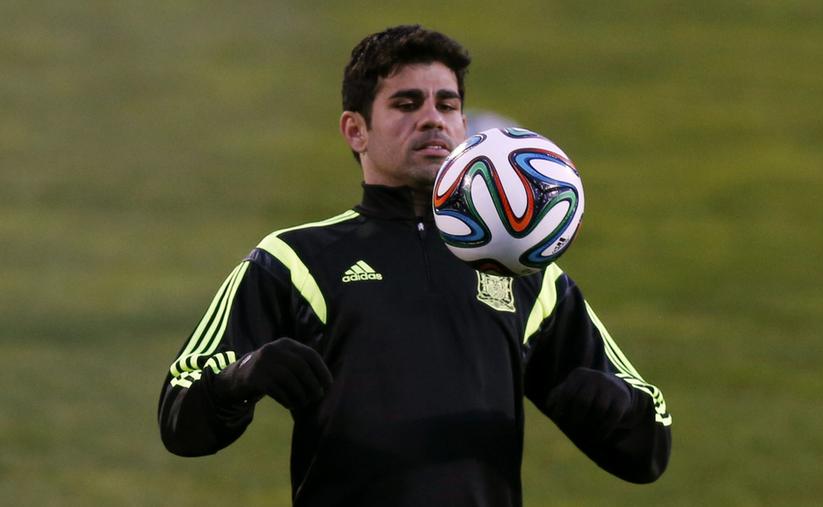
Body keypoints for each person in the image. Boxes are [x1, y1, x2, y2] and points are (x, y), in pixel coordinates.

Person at [158, 24, 671, 506]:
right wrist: (239, 380)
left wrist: (618, 406)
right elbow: (180, 419)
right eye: (406, 103)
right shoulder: (295, 260)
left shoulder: (527, 273)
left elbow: (649, 452)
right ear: (355, 130)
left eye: (447, 104)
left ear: (464, 126)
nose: (432, 119)